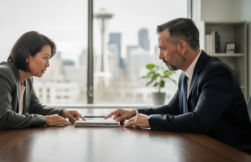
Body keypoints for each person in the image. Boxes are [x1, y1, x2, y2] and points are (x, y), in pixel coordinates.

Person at [105, 18, 251, 147]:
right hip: (200, 147)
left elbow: (200, 121)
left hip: (228, 153)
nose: (160, 56)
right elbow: (172, 108)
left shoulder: (217, 72)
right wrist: (135, 113)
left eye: (163, 49)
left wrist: (151, 120)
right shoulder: (185, 75)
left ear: (182, 46)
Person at [0, 31, 85, 143]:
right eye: (45, 57)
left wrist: (62, 112)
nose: (48, 64)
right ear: (28, 56)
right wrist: (45, 120)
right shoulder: (0, 75)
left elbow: (35, 107)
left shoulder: (27, 80)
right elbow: (3, 119)